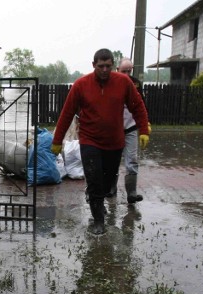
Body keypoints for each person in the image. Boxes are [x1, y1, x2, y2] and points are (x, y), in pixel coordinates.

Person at [50, 49, 149, 235]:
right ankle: (98, 221)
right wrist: (57, 141)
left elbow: (137, 106)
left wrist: (143, 129)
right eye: (100, 66)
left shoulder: (123, 83)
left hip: (114, 142)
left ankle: (97, 199)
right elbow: (67, 113)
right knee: (94, 179)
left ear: (113, 66)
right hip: (90, 140)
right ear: (93, 65)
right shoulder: (81, 85)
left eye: (108, 66)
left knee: (108, 180)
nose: (104, 70)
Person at [107, 58, 149, 203]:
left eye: (129, 71)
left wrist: (145, 125)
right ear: (117, 69)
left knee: (132, 160)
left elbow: (140, 105)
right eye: (123, 71)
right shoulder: (110, 82)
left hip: (130, 127)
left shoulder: (136, 83)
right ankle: (111, 188)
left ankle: (131, 192)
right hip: (114, 129)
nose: (126, 74)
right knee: (113, 161)